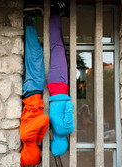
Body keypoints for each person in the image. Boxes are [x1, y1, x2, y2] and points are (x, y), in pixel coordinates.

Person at [19, 8, 49, 167]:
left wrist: (39, 139)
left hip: (34, 90)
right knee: (32, 56)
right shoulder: (26, 137)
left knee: (35, 54)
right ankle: (28, 24)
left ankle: (28, 20)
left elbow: (44, 118)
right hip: (31, 93)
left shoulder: (29, 137)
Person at [47, 14, 74, 156]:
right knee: (59, 48)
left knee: (57, 47)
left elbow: (70, 107)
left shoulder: (66, 129)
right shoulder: (54, 129)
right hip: (53, 84)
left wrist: (69, 100)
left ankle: (54, 12)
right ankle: (56, 16)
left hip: (60, 83)